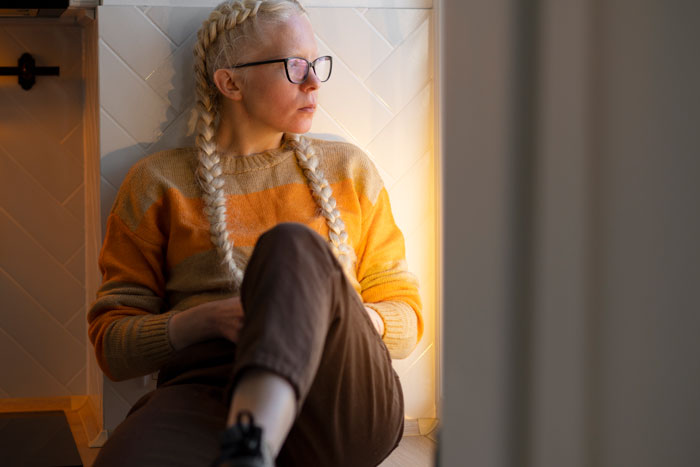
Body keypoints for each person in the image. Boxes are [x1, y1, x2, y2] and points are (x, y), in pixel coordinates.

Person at [87, 1, 422, 466]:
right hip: (207, 392)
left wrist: (309, 311)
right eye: (295, 66)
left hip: (339, 396)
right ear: (231, 83)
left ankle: (253, 440)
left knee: (290, 246)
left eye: (317, 64)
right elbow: (113, 347)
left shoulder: (349, 171)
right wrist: (209, 320)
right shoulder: (156, 184)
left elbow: (405, 319)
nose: (314, 82)